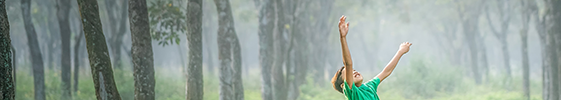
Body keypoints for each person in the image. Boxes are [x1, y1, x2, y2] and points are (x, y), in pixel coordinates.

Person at [330, 15, 412, 100]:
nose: (354, 72)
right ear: (344, 85)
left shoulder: (370, 86)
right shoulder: (352, 93)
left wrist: (400, 52)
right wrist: (343, 38)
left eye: (354, 70)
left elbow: (386, 71)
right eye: (349, 73)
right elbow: (348, 64)